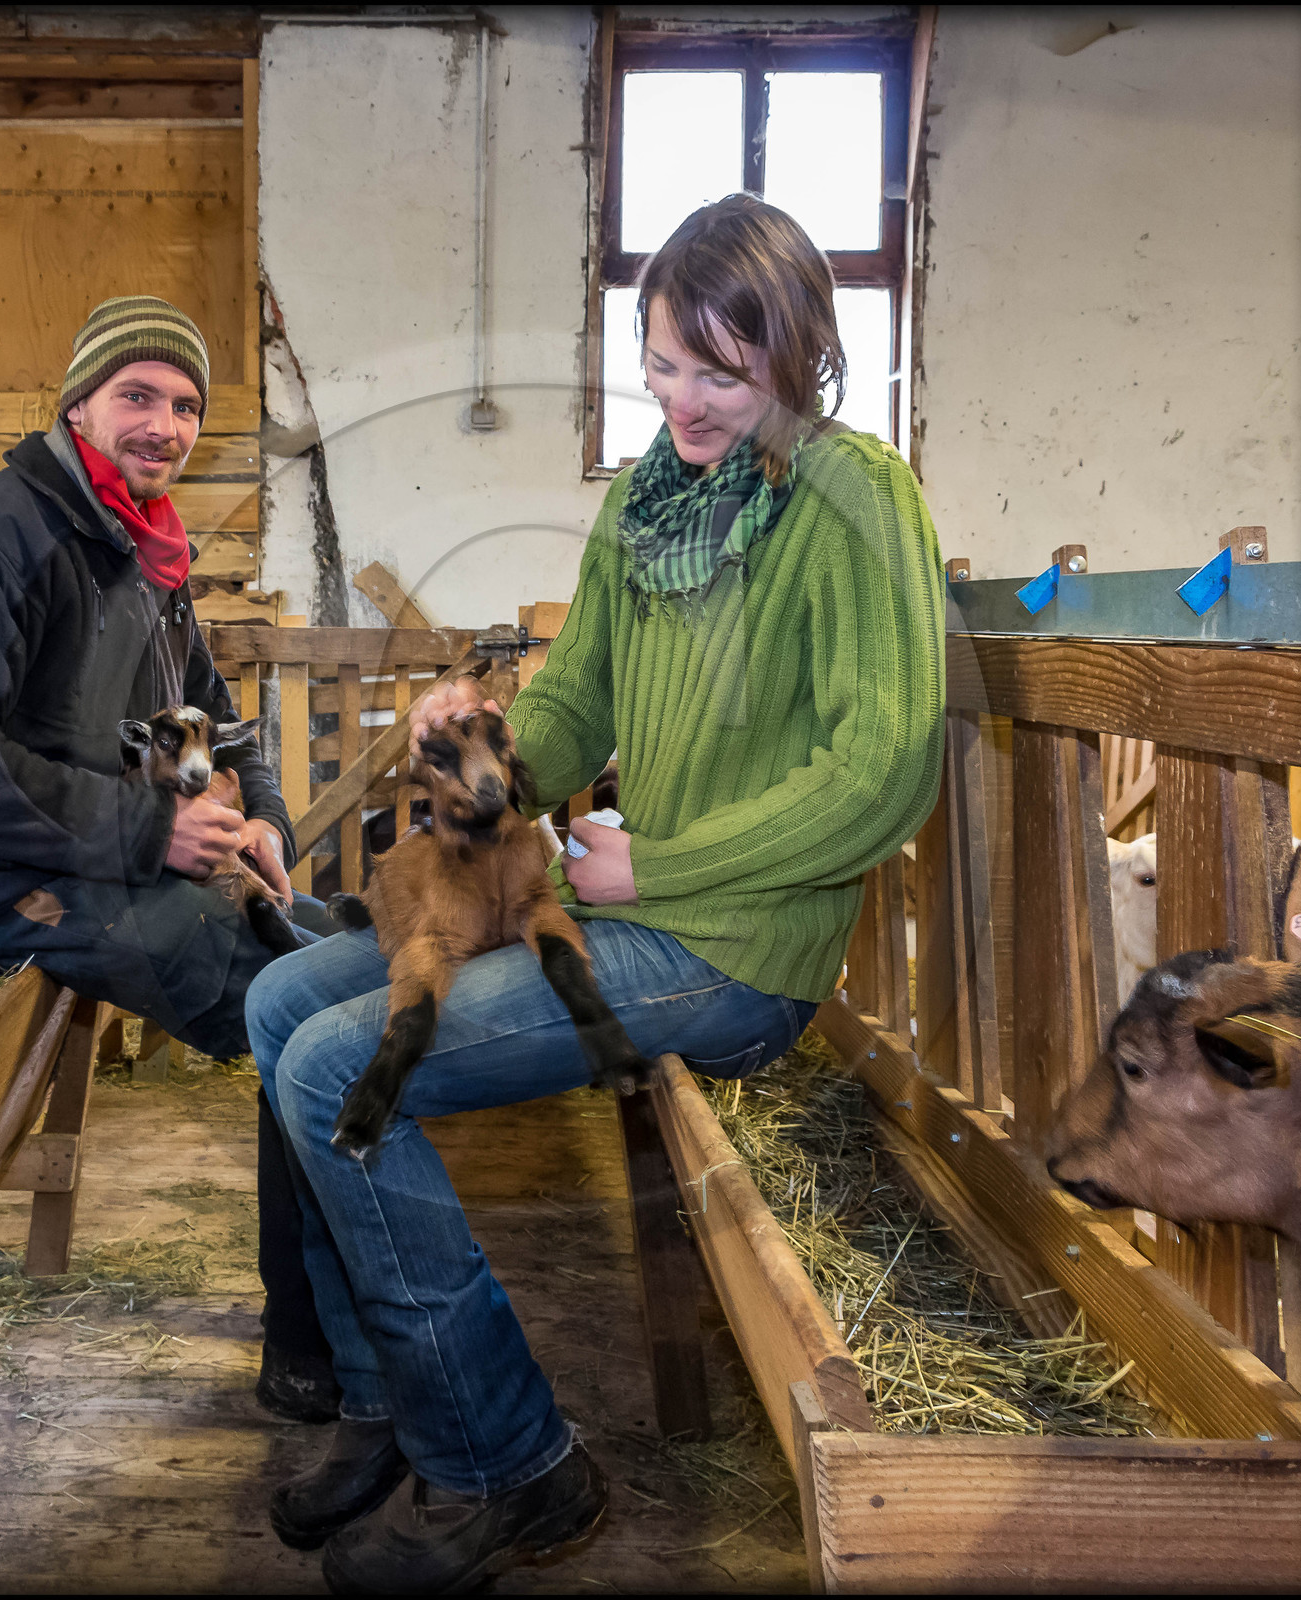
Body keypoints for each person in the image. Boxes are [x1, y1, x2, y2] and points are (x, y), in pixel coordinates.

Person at [245, 194, 947, 1593]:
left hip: (742, 951)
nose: (683, 399)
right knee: (279, 1002)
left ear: (792, 348)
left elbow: (884, 771)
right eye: (663, 363)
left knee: (337, 1076)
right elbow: (572, 708)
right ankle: (401, 1398)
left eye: (719, 367)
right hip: (627, 912)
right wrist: (480, 740)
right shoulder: (647, 501)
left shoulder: (859, 496)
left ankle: (509, 1464)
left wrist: (661, 863)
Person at [0, 294, 339, 1422]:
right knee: (307, 1011)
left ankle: (337, 1306)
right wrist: (149, 829)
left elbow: (210, 715)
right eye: (138, 395)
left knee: (335, 952)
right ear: (78, 401)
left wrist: (265, 811)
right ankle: (312, 1339)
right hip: (5, 884)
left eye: (186, 405)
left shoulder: (137, 546)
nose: (166, 424)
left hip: (114, 862)